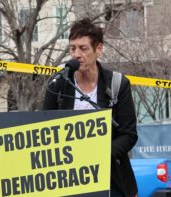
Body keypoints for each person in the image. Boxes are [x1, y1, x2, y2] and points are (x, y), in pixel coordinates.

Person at [42, 17, 138, 197]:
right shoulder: (57, 85)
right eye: (72, 48)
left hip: (111, 179)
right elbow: (43, 130)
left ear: (99, 49)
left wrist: (97, 153)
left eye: (83, 48)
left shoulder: (117, 84)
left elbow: (129, 135)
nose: (77, 54)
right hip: (67, 180)